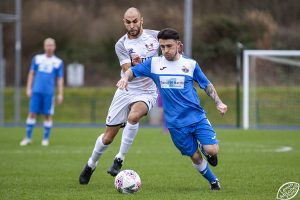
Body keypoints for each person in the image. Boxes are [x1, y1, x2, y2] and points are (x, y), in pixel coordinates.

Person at [116, 28, 228, 190]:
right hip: (175, 124)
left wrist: (219, 103)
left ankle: (206, 148)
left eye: (169, 46)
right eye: (162, 47)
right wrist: (125, 78)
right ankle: (213, 181)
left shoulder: (190, 64)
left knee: (212, 149)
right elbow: (132, 71)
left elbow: (206, 84)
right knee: (195, 157)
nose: (165, 50)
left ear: (178, 45)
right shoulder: (154, 64)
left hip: (196, 117)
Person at [79, 7, 160, 184]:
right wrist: (134, 69)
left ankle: (119, 159)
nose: (132, 25)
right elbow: (127, 70)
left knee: (134, 116)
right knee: (108, 137)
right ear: (124, 22)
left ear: (142, 20)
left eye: (135, 21)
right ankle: (91, 164)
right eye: (128, 22)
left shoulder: (156, 37)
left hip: (147, 91)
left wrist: (177, 48)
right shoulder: (121, 44)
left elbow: (173, 44)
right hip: (126, 89)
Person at [20, 38, 64, 146]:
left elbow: (60, 79)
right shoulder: (37, 59)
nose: (49, 47)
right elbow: (31, 74)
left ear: (54, 47)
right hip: (36, 91)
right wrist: (28, 88)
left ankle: (45, 139)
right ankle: (28, 138)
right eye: (47, 45)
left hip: (49, 93)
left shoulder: (58, 62)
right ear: (44, 47)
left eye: (51, 45)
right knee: (32, 113)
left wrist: (60, 93)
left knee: (47, 115)